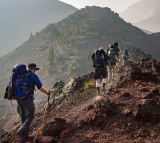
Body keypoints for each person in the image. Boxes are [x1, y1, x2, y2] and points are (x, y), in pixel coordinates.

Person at [17, 63, 52, 141]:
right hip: (27, 99)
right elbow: (40, 88)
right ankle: (21, 131)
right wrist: (48, 93)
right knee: (30, 116)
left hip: (18, 99)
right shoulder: (33, 76)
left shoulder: (20, 75)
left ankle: (25, 137)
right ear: (34, 69)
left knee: (24, 117)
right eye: (35, 69)